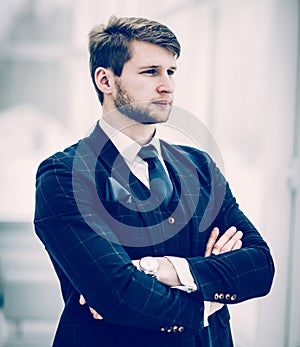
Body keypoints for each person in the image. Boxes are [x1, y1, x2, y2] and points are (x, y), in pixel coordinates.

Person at [34, 15, 274, 347]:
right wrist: (209, 298)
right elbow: (116, 294)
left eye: (171, 72)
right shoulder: (64, 176)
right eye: (150, 72)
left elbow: (259, 266)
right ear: (105, 80)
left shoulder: (200, 167)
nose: (168, 86)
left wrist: (159, 269)